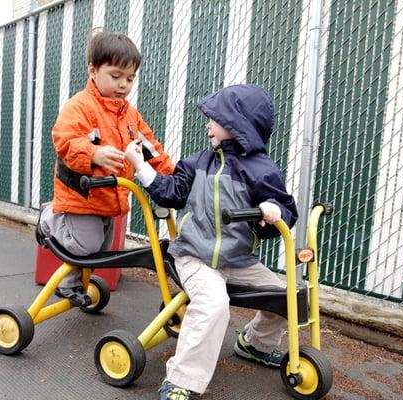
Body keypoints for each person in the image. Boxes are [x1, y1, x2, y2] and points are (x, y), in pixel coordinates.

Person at [125, 84, 298, 399]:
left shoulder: (262, 171)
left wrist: (274, 213)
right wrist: (141, 168)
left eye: (215, 119)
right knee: (213, 304)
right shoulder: (198, 162)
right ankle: (181, 380)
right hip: (195, 255)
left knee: (284, 296)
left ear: (238, 125)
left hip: (238, 259)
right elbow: (173, 192)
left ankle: (254, 344)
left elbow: (285, 212)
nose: (208, 124)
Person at [39, 29, 173, 307]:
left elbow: (149, 148)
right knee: (82, 246)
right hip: (80, 197)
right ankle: (49, 219)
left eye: (130, 79)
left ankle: (75, 282)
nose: (123, 85)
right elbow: (64, 140)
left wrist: (171, 174)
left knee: (99, 250)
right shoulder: (80, 106)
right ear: (93, 70)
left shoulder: (130, 115)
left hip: (111, 198)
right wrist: (94, 153)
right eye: (115, 76)